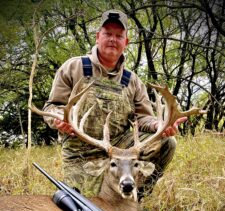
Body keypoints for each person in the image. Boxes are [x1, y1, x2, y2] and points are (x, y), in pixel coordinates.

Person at [43, 10, 186, 198]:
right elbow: (50, 108)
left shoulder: (132, 80)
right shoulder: (74, 67)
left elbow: (144, 117)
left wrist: (158, 125)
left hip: (120, 151)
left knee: (168, 142)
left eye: (119, 36)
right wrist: (59, 118)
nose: (113, 39)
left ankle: (136, 196)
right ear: (97, 37)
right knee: (80, 203)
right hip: (80, 152)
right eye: (108, 34)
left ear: (126, 43)